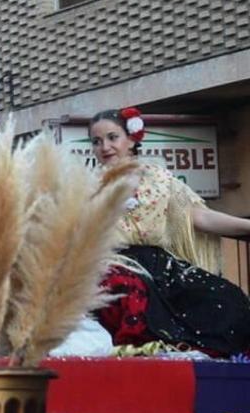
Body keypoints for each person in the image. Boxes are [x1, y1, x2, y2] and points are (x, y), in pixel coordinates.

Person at [91, 108, 250, 356]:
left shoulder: (159, 179)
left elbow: (200, 216)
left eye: (113, 137)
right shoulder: (87, 186)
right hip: (114, 263)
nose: (105, 146)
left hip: (159, 264)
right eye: (97, 141)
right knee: (132, 292)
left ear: (132, 139)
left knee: (226, 298)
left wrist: (247, 226)